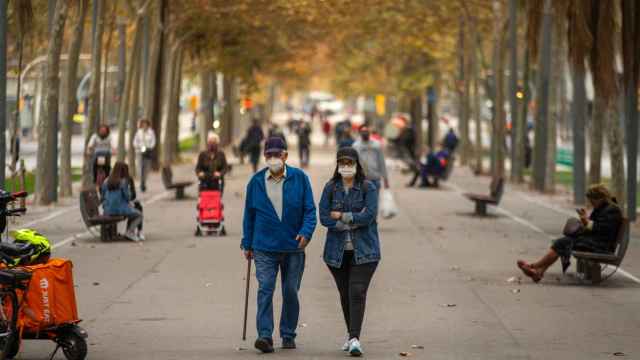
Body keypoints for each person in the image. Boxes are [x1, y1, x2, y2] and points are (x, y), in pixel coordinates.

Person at [241, 137, 317, 354]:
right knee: (265, 288)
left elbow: (310, 210)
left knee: (291, 290)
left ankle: (288, 333)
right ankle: (265, 335)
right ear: (265, 157)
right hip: (264, 246)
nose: (272, 159)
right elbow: (249, 215)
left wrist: (306, 232)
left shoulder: (300, 178)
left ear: (285, 155)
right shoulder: (255, 182)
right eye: (269, 155)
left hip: (293, 247)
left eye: (277, 154)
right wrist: (247, 243)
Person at [319, 147, 380, 357]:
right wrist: (354, 218)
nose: (346, 167)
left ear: (357, 164)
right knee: (345, 294)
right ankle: (351, 335)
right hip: (336, 253)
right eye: (342, 163)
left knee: (356, 292)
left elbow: (369, 216)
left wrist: (343, 217)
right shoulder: (330, 188)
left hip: (365, 251)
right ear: (337, 165)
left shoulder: (367, 187)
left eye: (349, 163)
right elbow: (324, 217)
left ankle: (355, 339)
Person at [517, 184, 623, 282]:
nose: (591, 203)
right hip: (596, 241)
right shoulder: (604, 208)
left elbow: (603, 229)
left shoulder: (611, 210)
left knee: (562, 243)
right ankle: (538, 272)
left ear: (600, 198)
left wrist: (586, 221)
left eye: (592, 201)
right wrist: (585, 220)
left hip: (601, 245)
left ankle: (534, 267)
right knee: (563, 242)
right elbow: (595, 226)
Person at [101, 162, 144, 242]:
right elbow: (127, 197)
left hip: (107, 210)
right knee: (139, 215)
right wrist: (130, 199)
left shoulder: (106, 181)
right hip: (120, 209)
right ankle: (130, 232)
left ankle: (132, 232)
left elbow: (102, 196)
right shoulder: (123, 182)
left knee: (134, 210)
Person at [353, 125, 389, 195]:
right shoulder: (355, 146)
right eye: (363, 131)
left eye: (366, 131)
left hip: (374, 178)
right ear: (360, 133)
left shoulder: (376, 145)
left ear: (369, 133)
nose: (365, 133)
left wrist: (385, 178)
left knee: (373, 203)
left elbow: (381, 162)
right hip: (361, 179)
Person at [133, 118, 157, 192]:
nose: (144, 125)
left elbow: (153, 141)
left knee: (146, 168)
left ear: (148, 125)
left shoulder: (151, 132)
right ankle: (141, 182)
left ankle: (144, 181)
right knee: (140, 167)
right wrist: (138, 146)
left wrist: (150, 147)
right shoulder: (138, 132)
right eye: (143, 124)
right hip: (139, 152)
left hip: (147, 152)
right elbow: (134, 142)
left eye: (145, 124)